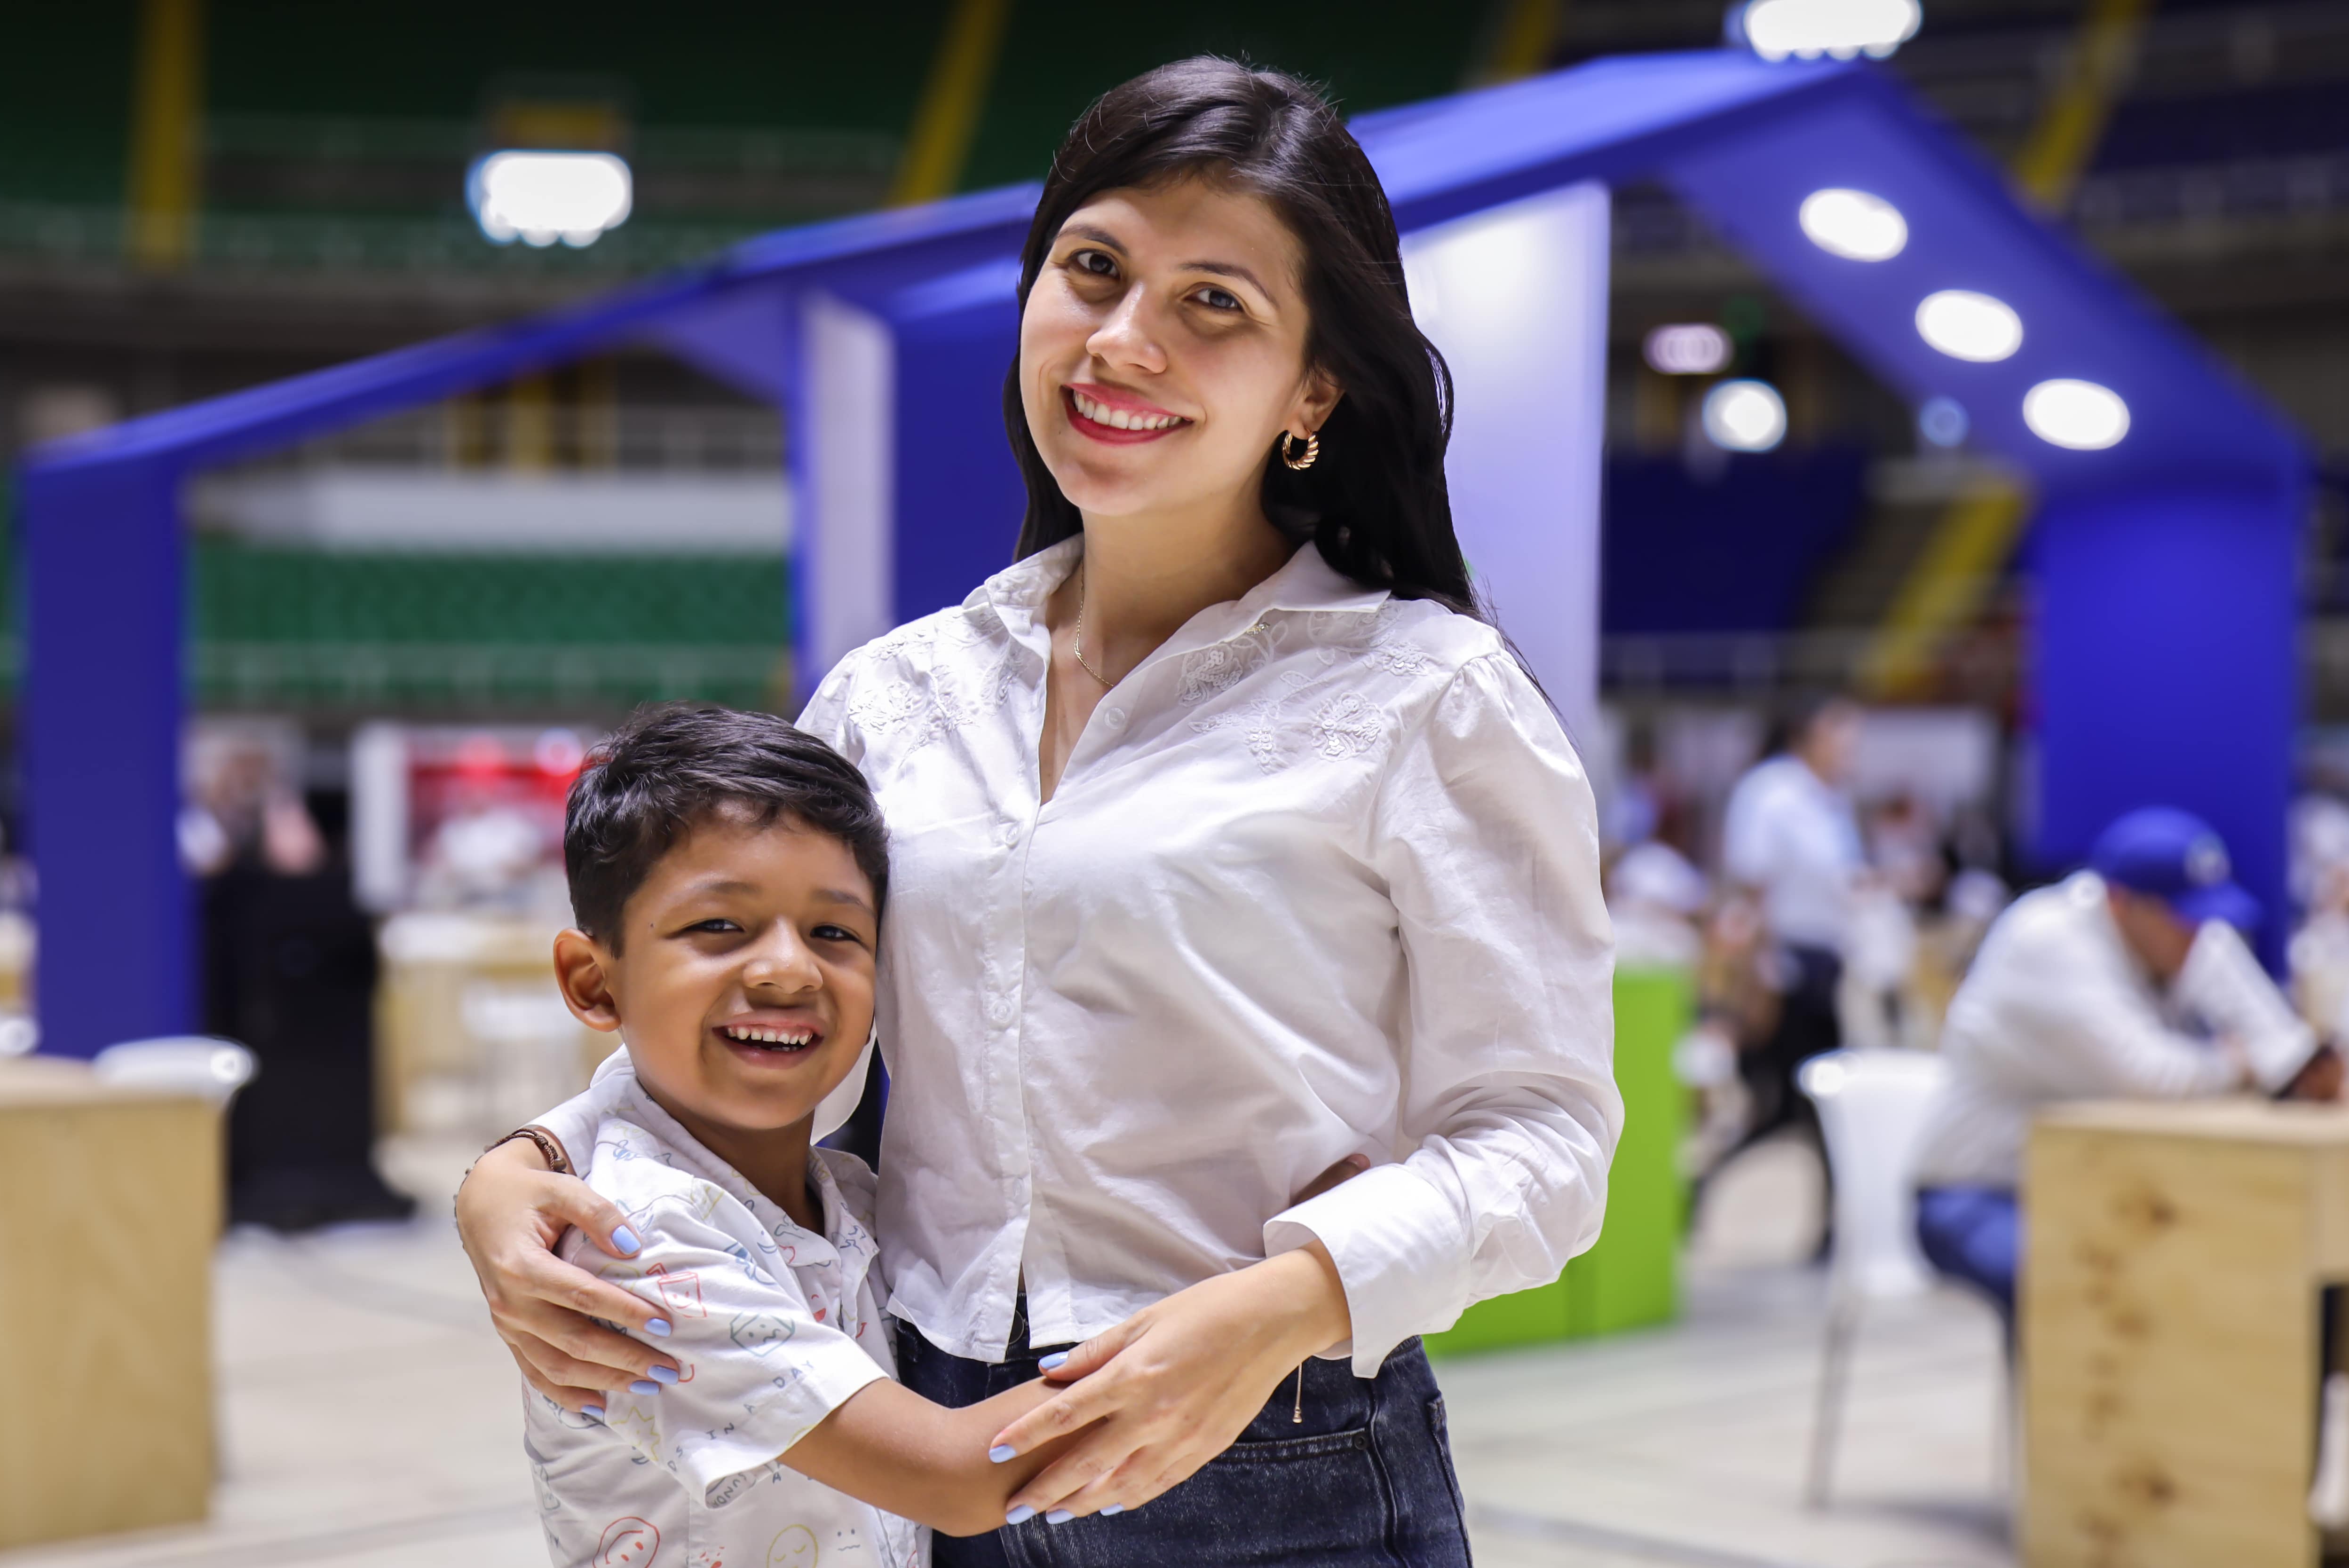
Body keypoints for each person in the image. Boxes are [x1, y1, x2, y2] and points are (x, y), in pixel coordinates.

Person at [457, 57, 1619, 1564]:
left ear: (1314, 390)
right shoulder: (894, 695)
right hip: (919, 1430)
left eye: (1214, 302)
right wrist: (523, 1168)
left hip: (1276, 1458)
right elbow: (766, 1032)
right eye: (1093, 269)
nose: (1122, 340)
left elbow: (1544, 1139)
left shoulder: (1423, 694)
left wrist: (1289, 1299)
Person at [520, 705, 1089, 1563]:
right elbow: (960, 1478)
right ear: (594, 982)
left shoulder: (850, 1196)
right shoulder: (637, 1242)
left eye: (834, 933)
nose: (788, 969)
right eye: (718, 926)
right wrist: (1237, 1322)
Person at [1912, 807, 2343, 1332]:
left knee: (2251, 1261)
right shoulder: (2046, 937)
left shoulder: (2181, 933)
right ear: (2120, 902)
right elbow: (2150, 1077)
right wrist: (2238, 1061)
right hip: (1978, 1193)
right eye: (2181, 917)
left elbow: (2283, 1047)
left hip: (2110, 1189)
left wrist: (2288, 1062)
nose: (2197, 934)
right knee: (2085, 1285)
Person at [1717, 697, 1865, 1154]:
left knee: (1819, 1098)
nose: (1848, 749)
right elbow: (1751, 880)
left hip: (1826, 958)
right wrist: (1760, 969)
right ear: (1807, 738)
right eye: (1839, 738)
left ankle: (1819, 1192)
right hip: (1782, 961)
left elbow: (1842, 878)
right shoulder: (1771, 793)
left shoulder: (1832, 800)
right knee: (1779, 1100)